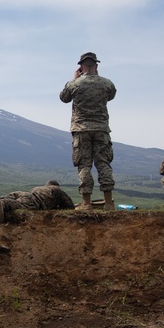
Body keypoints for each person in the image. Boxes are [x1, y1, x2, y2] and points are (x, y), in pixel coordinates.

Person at [60, 52, 117, 211]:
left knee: (84, 165)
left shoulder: (75, 84)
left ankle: (86, 203)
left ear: (81, 66)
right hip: (101, 129)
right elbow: (111, 96)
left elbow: (64, 98)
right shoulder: (106, 84)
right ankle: (108, 203)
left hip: (81, 130)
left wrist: (75, 79)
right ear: (96, 66)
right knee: (103, 164)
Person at [0, 181, 75, 223]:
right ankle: (3, 204)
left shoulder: (39, 187)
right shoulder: (57, 190)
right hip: (34, 200)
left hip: (22, 193)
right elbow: (69, 207)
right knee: (16, 205)